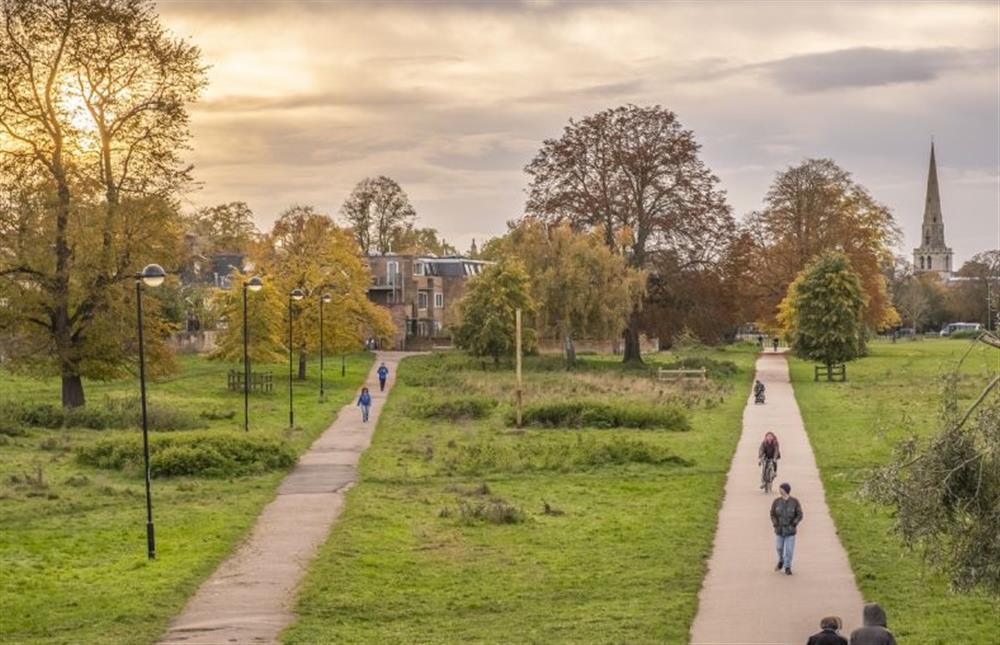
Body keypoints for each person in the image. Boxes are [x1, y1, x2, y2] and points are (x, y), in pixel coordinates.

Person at [770, 482, 803, 575]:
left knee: (789, 550)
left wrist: (794, 523)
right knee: (779, 547)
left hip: (790, 530)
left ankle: (787, 566)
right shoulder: (776, 501)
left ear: (786, 490)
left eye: (781, 489)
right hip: (779, 530)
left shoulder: (795, 502)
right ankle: (781, 560)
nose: (780, 490)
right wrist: (775, 524)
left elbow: (800, 515)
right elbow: (772, 514)